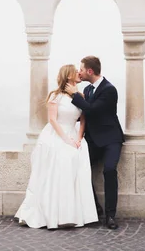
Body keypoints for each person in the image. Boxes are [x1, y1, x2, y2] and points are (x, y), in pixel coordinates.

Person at [15, 64, 98, 229]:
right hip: (57, 135)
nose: (79, 73)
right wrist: (67, 139)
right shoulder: (55, 96)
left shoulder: (80, 95)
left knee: (77, 171)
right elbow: (52, 120)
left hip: (74, 135)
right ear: (68, 76)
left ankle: (73, 214)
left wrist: (79, 138)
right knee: (58, 170)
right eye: (75, 71)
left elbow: (83, 120)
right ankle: (52, 213)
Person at [65, 56, 124, 230]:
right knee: (79, 166)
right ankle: (96, 207)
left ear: (90, 71)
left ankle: (110, 215)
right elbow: (82, 114)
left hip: (111, 139)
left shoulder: (109, 89)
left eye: (81, 69)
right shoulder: (88, 90)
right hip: (93, 139)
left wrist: (74, 94)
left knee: (109, 170)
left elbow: (91, 110)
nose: (79, 72)